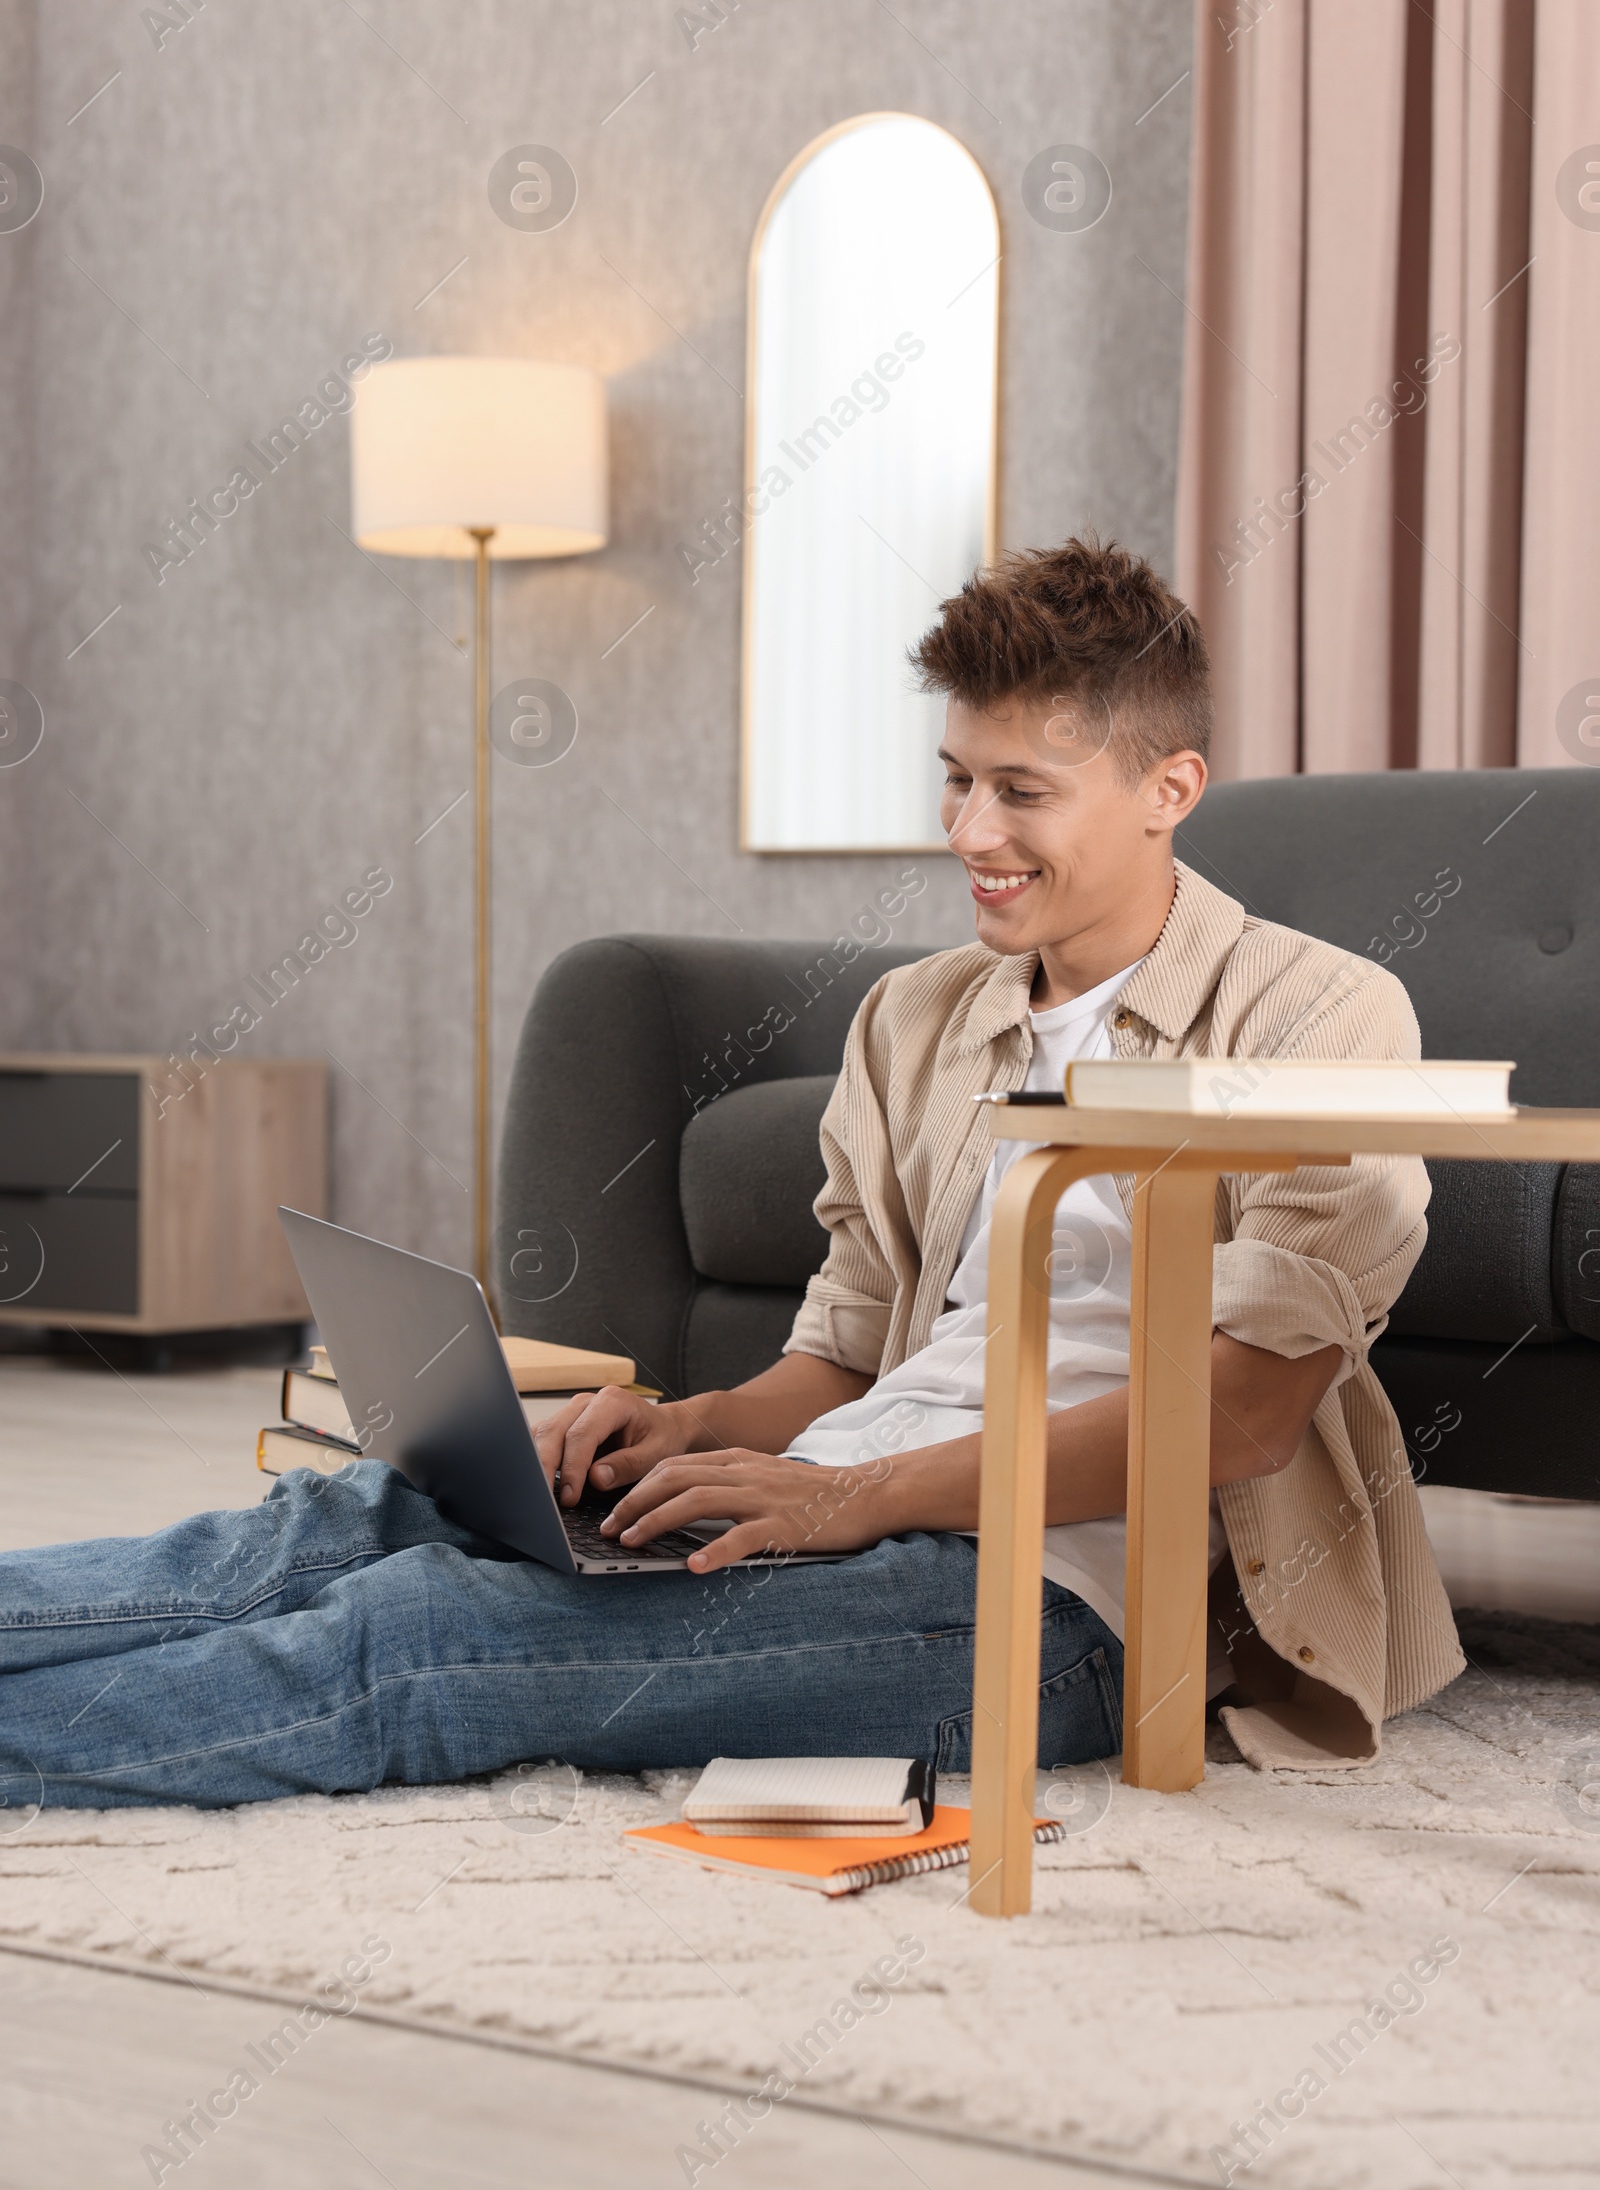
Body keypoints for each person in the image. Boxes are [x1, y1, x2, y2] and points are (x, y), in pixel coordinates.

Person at [0, 539, 1462, 1814]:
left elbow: (1251, 1415)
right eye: (955, 780)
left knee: (427, 1640)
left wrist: (866, 1499)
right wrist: (678, 1426)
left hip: (1067, 1606)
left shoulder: (1322, 1018)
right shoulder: (923, 1016)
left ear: (1171, 787)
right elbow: (837, 1353)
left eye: (1024, 791)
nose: (969, 835)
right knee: (354, 1517)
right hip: (847, 1490)